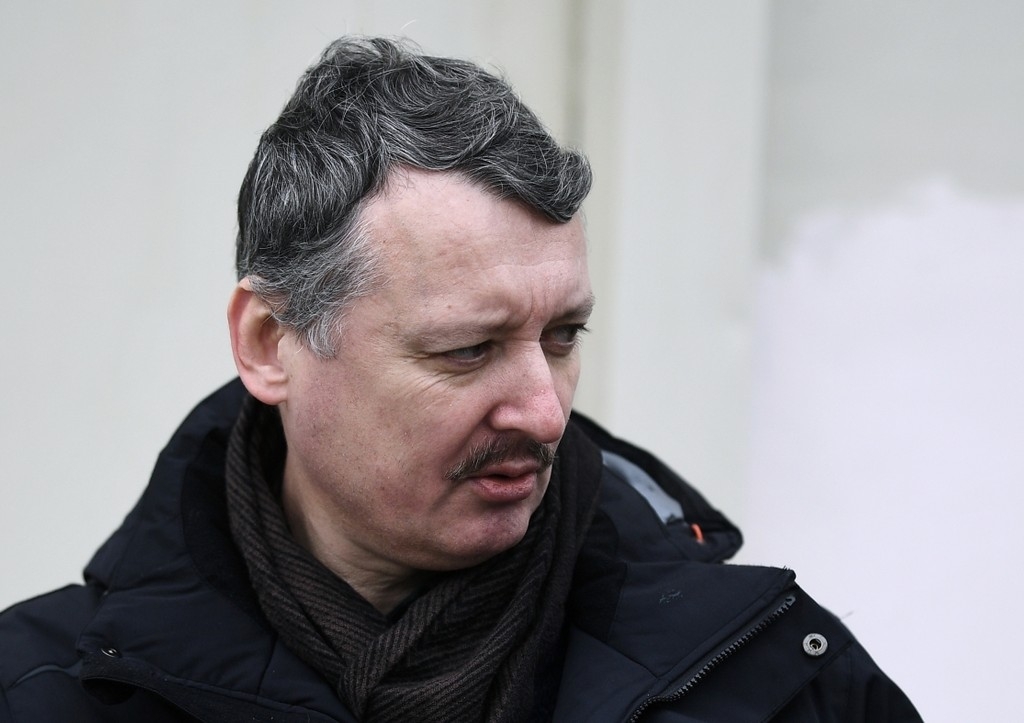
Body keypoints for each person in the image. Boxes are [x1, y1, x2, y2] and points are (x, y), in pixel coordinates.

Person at [0, 37, 921, 722]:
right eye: (467, 350)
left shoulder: (774, 683)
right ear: (271, 343)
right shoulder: (37, 692)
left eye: (562, 336)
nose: (546, 412)